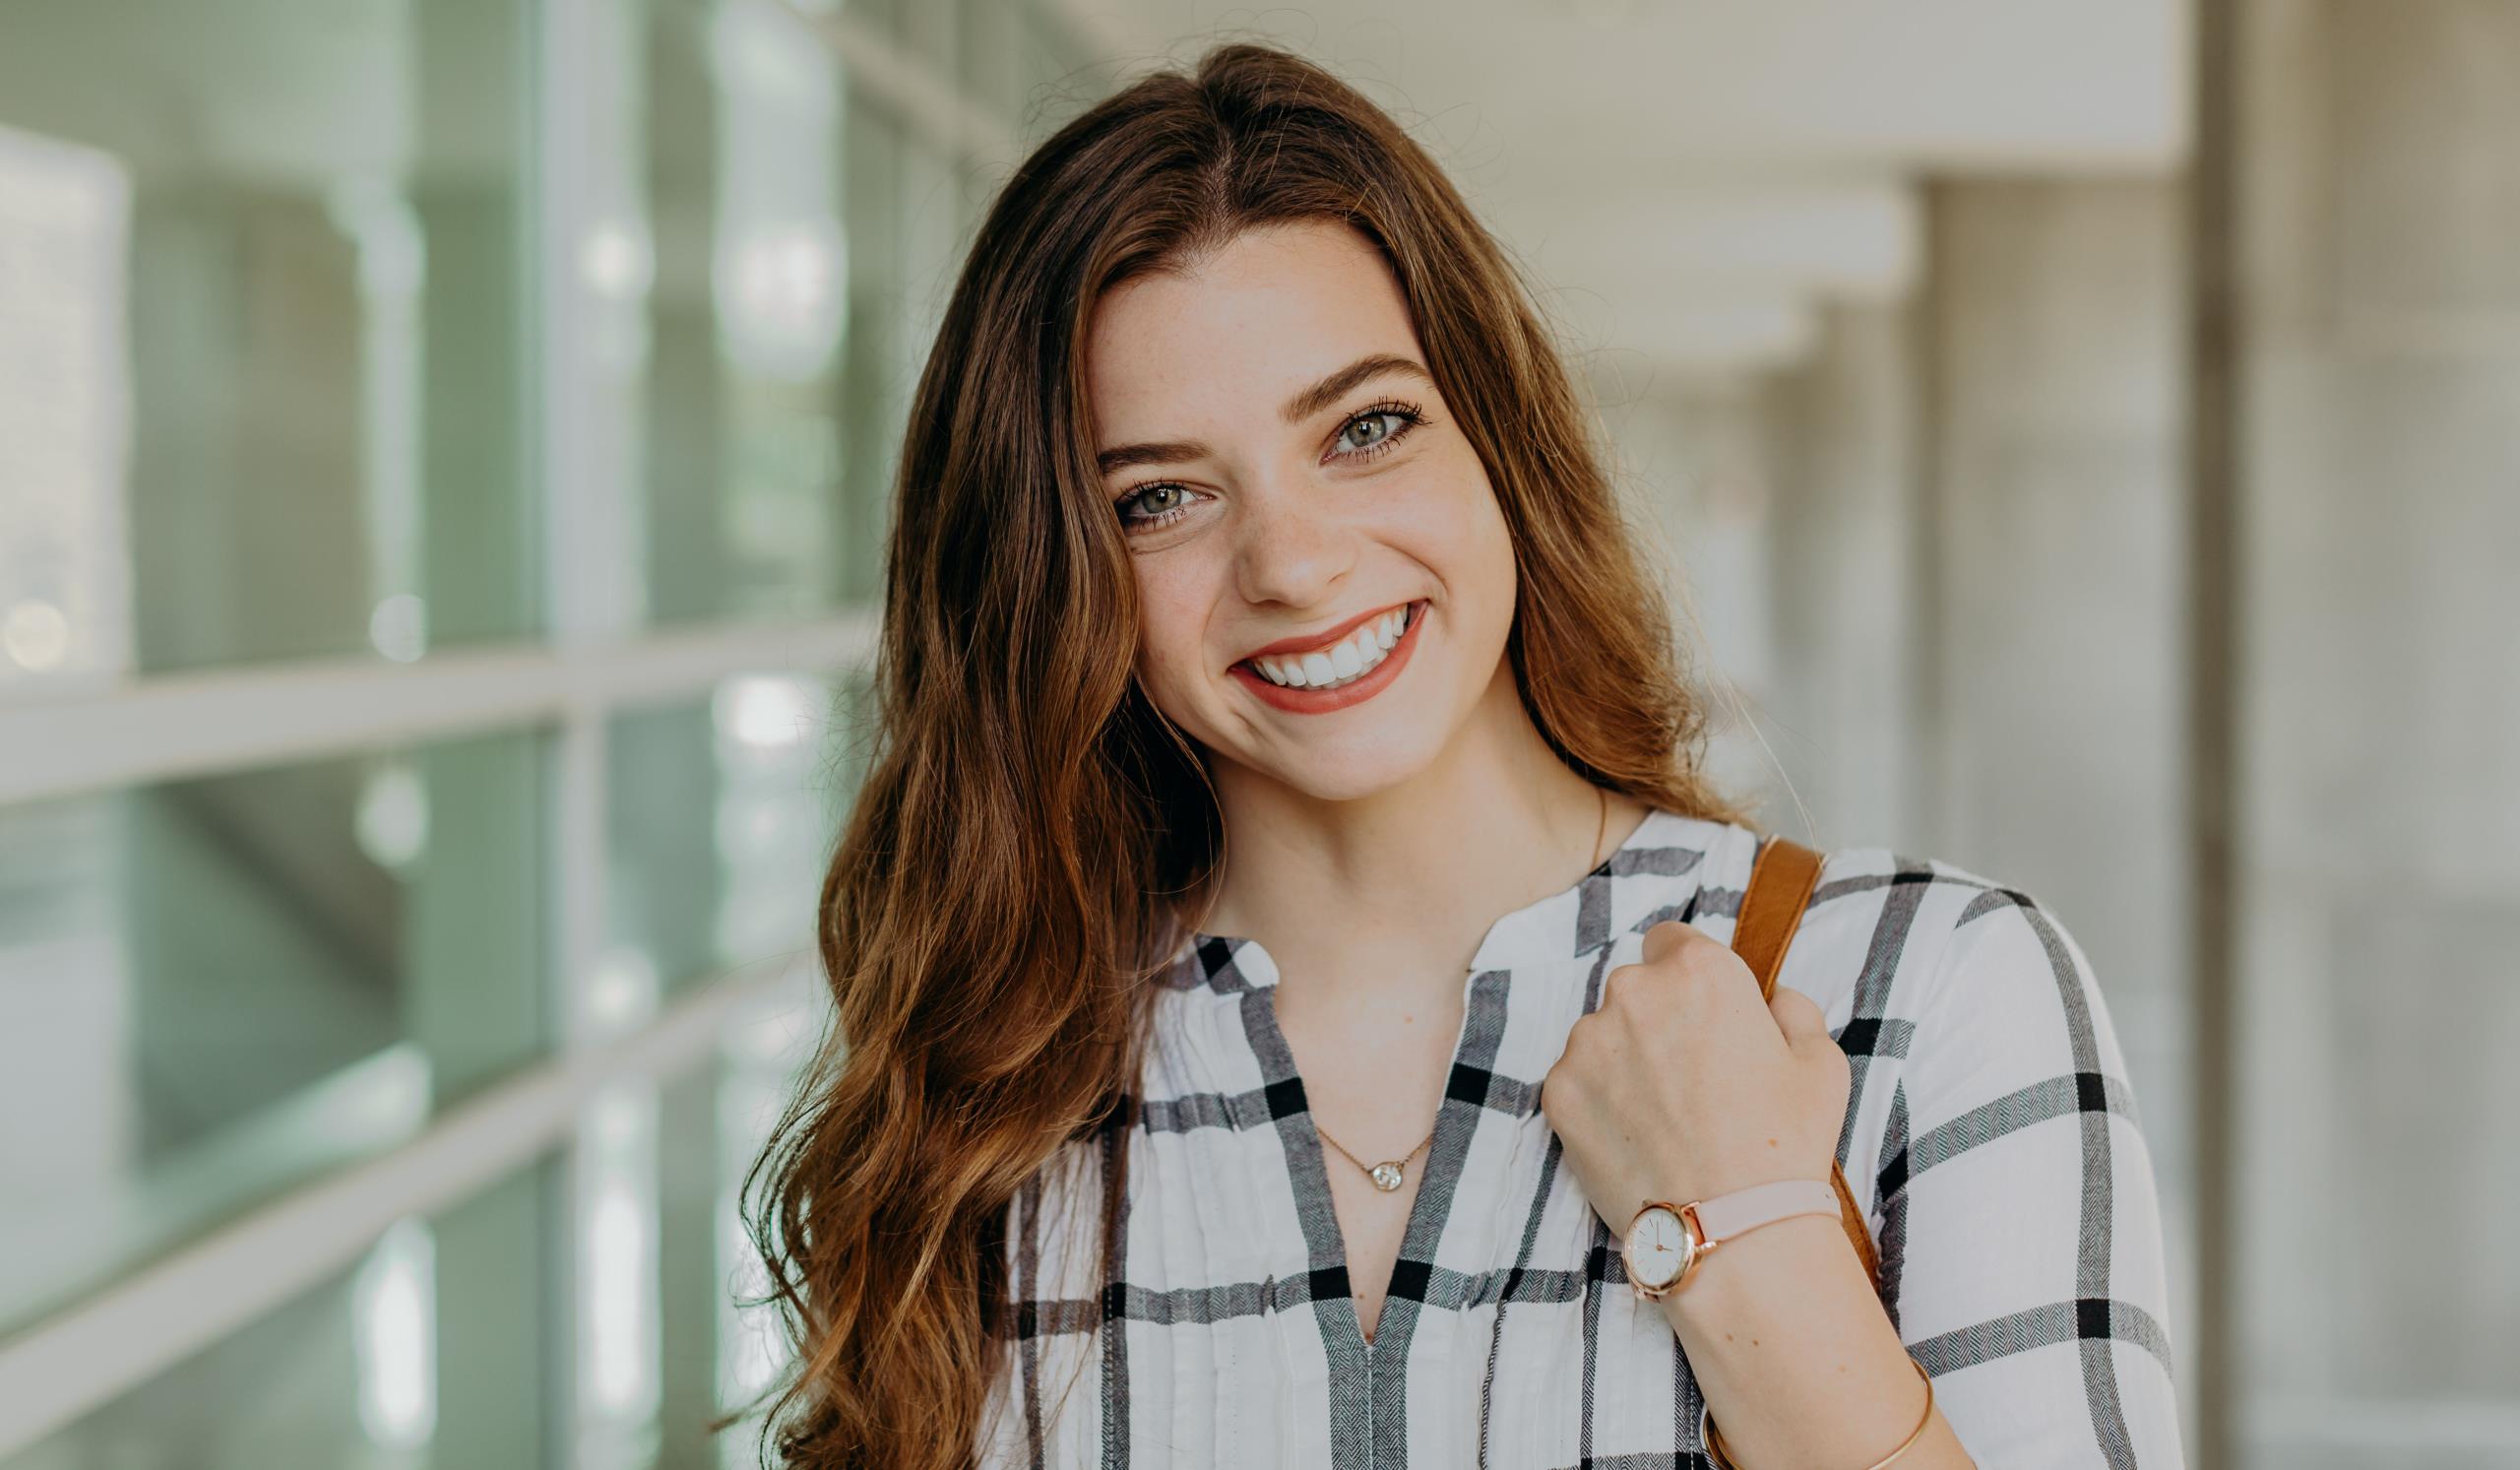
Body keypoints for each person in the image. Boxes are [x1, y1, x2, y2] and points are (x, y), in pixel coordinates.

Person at [739, 41, 2183, 1470]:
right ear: (1056, 579)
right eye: (1160, 497)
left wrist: (1744, 1235)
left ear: (1498, 439)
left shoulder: (1927, 991)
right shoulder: (995, 1115)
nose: (1293, 564)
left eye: (1366, 428)